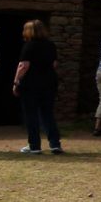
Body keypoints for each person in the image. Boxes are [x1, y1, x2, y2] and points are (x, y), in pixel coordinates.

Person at [13, 19, 62, 155]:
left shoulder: (29, 46)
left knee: (31, 114)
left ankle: (34, 145)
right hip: (49, 82)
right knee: (48, 113)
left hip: (31, 83)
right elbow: (54, 64)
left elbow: (24, 66)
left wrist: (16, 81)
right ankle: (55, 144)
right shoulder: (51, 45)